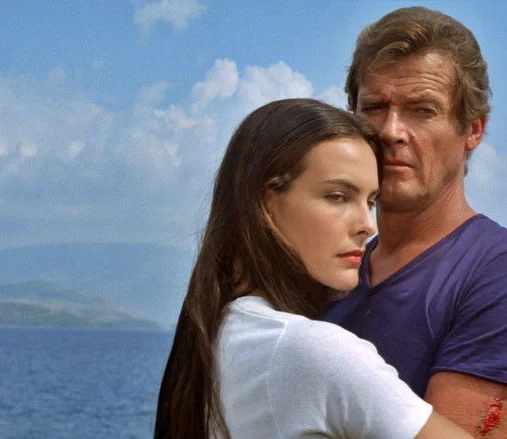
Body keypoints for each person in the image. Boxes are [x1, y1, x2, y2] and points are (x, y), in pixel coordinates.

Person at [154, 98, 472, 439]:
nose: (367, 225)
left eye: (370, 202)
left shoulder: (214, 341)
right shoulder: (313, 351)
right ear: (266, 203)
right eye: (337, 196)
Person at [323, 7, 507, 438]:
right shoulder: (327, 271)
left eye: (423, 110)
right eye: (374, 107)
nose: (391, 131)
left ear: (473, 129)